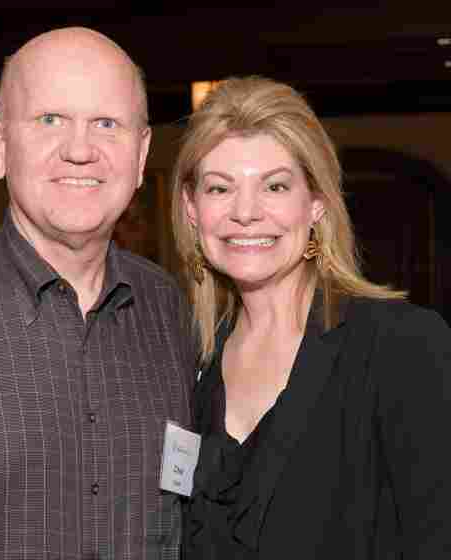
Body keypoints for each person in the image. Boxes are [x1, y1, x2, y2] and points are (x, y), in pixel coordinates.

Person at [0, 27, 194, 559]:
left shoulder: (168, 309)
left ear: (142, 155)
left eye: (107, 123)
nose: (81, 150)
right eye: (50, 119)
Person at [171, 76, 451, 558]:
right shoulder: (189, 362)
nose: (246, 213)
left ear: (316, 203)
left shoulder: (403, 346)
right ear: (192, 209)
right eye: (220, 189)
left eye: (275, 186)